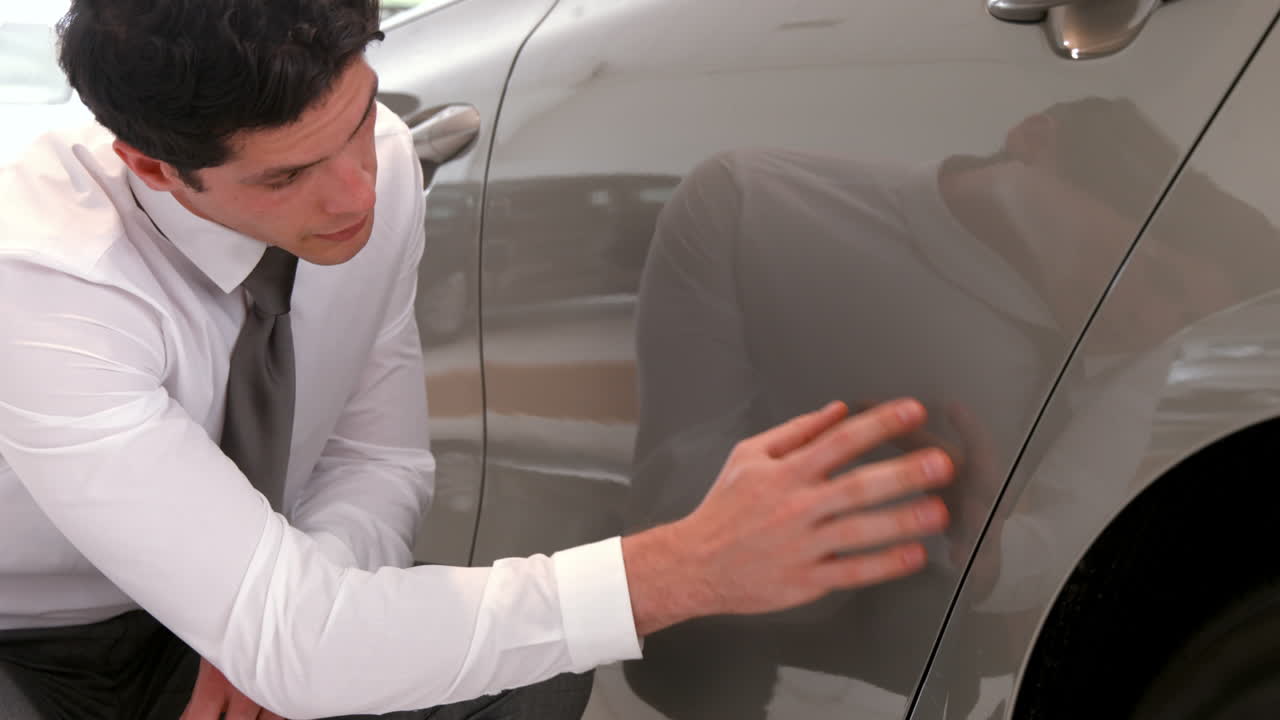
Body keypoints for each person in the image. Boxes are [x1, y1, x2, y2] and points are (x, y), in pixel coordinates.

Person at [0, 1, 954, 718]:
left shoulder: (377, 168)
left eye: (356, 123)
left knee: (527, 677)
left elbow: (380, 461)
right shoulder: (44, 281)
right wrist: (685, 569)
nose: (353, 196)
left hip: (203, 598)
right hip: (38, 633)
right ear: (153, 166)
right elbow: (301, 640)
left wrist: (269, 613)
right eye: (286, 175)